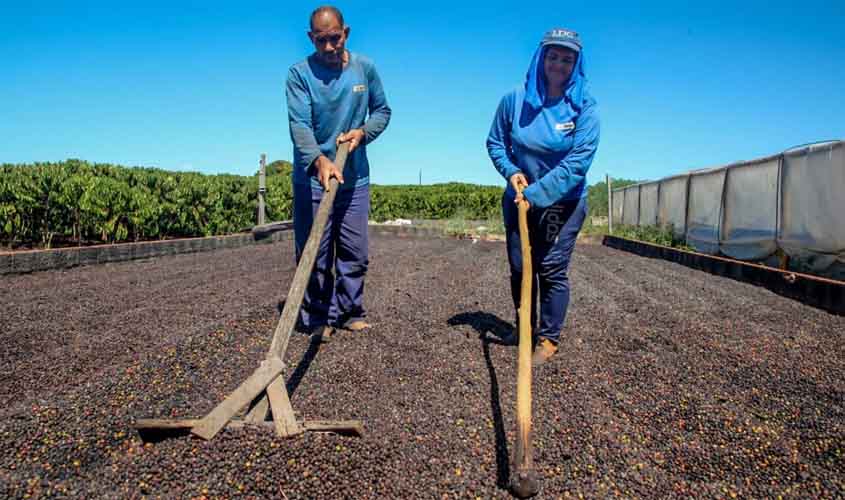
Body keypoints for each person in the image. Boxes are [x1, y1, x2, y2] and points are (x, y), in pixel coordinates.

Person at [486, 28, 600, 366]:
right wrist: (510, 171)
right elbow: (495, 142)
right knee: (521, 268)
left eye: (567, 59)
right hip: (519, 199)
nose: (559, 64)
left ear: (576, 64)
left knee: (550, 268)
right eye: (553, 56)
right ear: (541, 58)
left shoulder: (585, 107)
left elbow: (578, 163)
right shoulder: (514, 100)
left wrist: (537, 194)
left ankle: (548, 338)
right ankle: (523, 329)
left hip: (562, 203)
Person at [286, 5, 391, 337]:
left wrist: (363, 133)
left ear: (345, 33)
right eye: (321, 41)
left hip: (354, 177)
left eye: (335, 39)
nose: (329, 47)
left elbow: (382, 111)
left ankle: (348, 310)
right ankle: (318, 317)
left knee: (354, 251)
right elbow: (299, 126)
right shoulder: (299, 75)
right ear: (311, 39)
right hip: (314, 179)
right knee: (314, 253)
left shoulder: (365, 69)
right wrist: (319, 160)